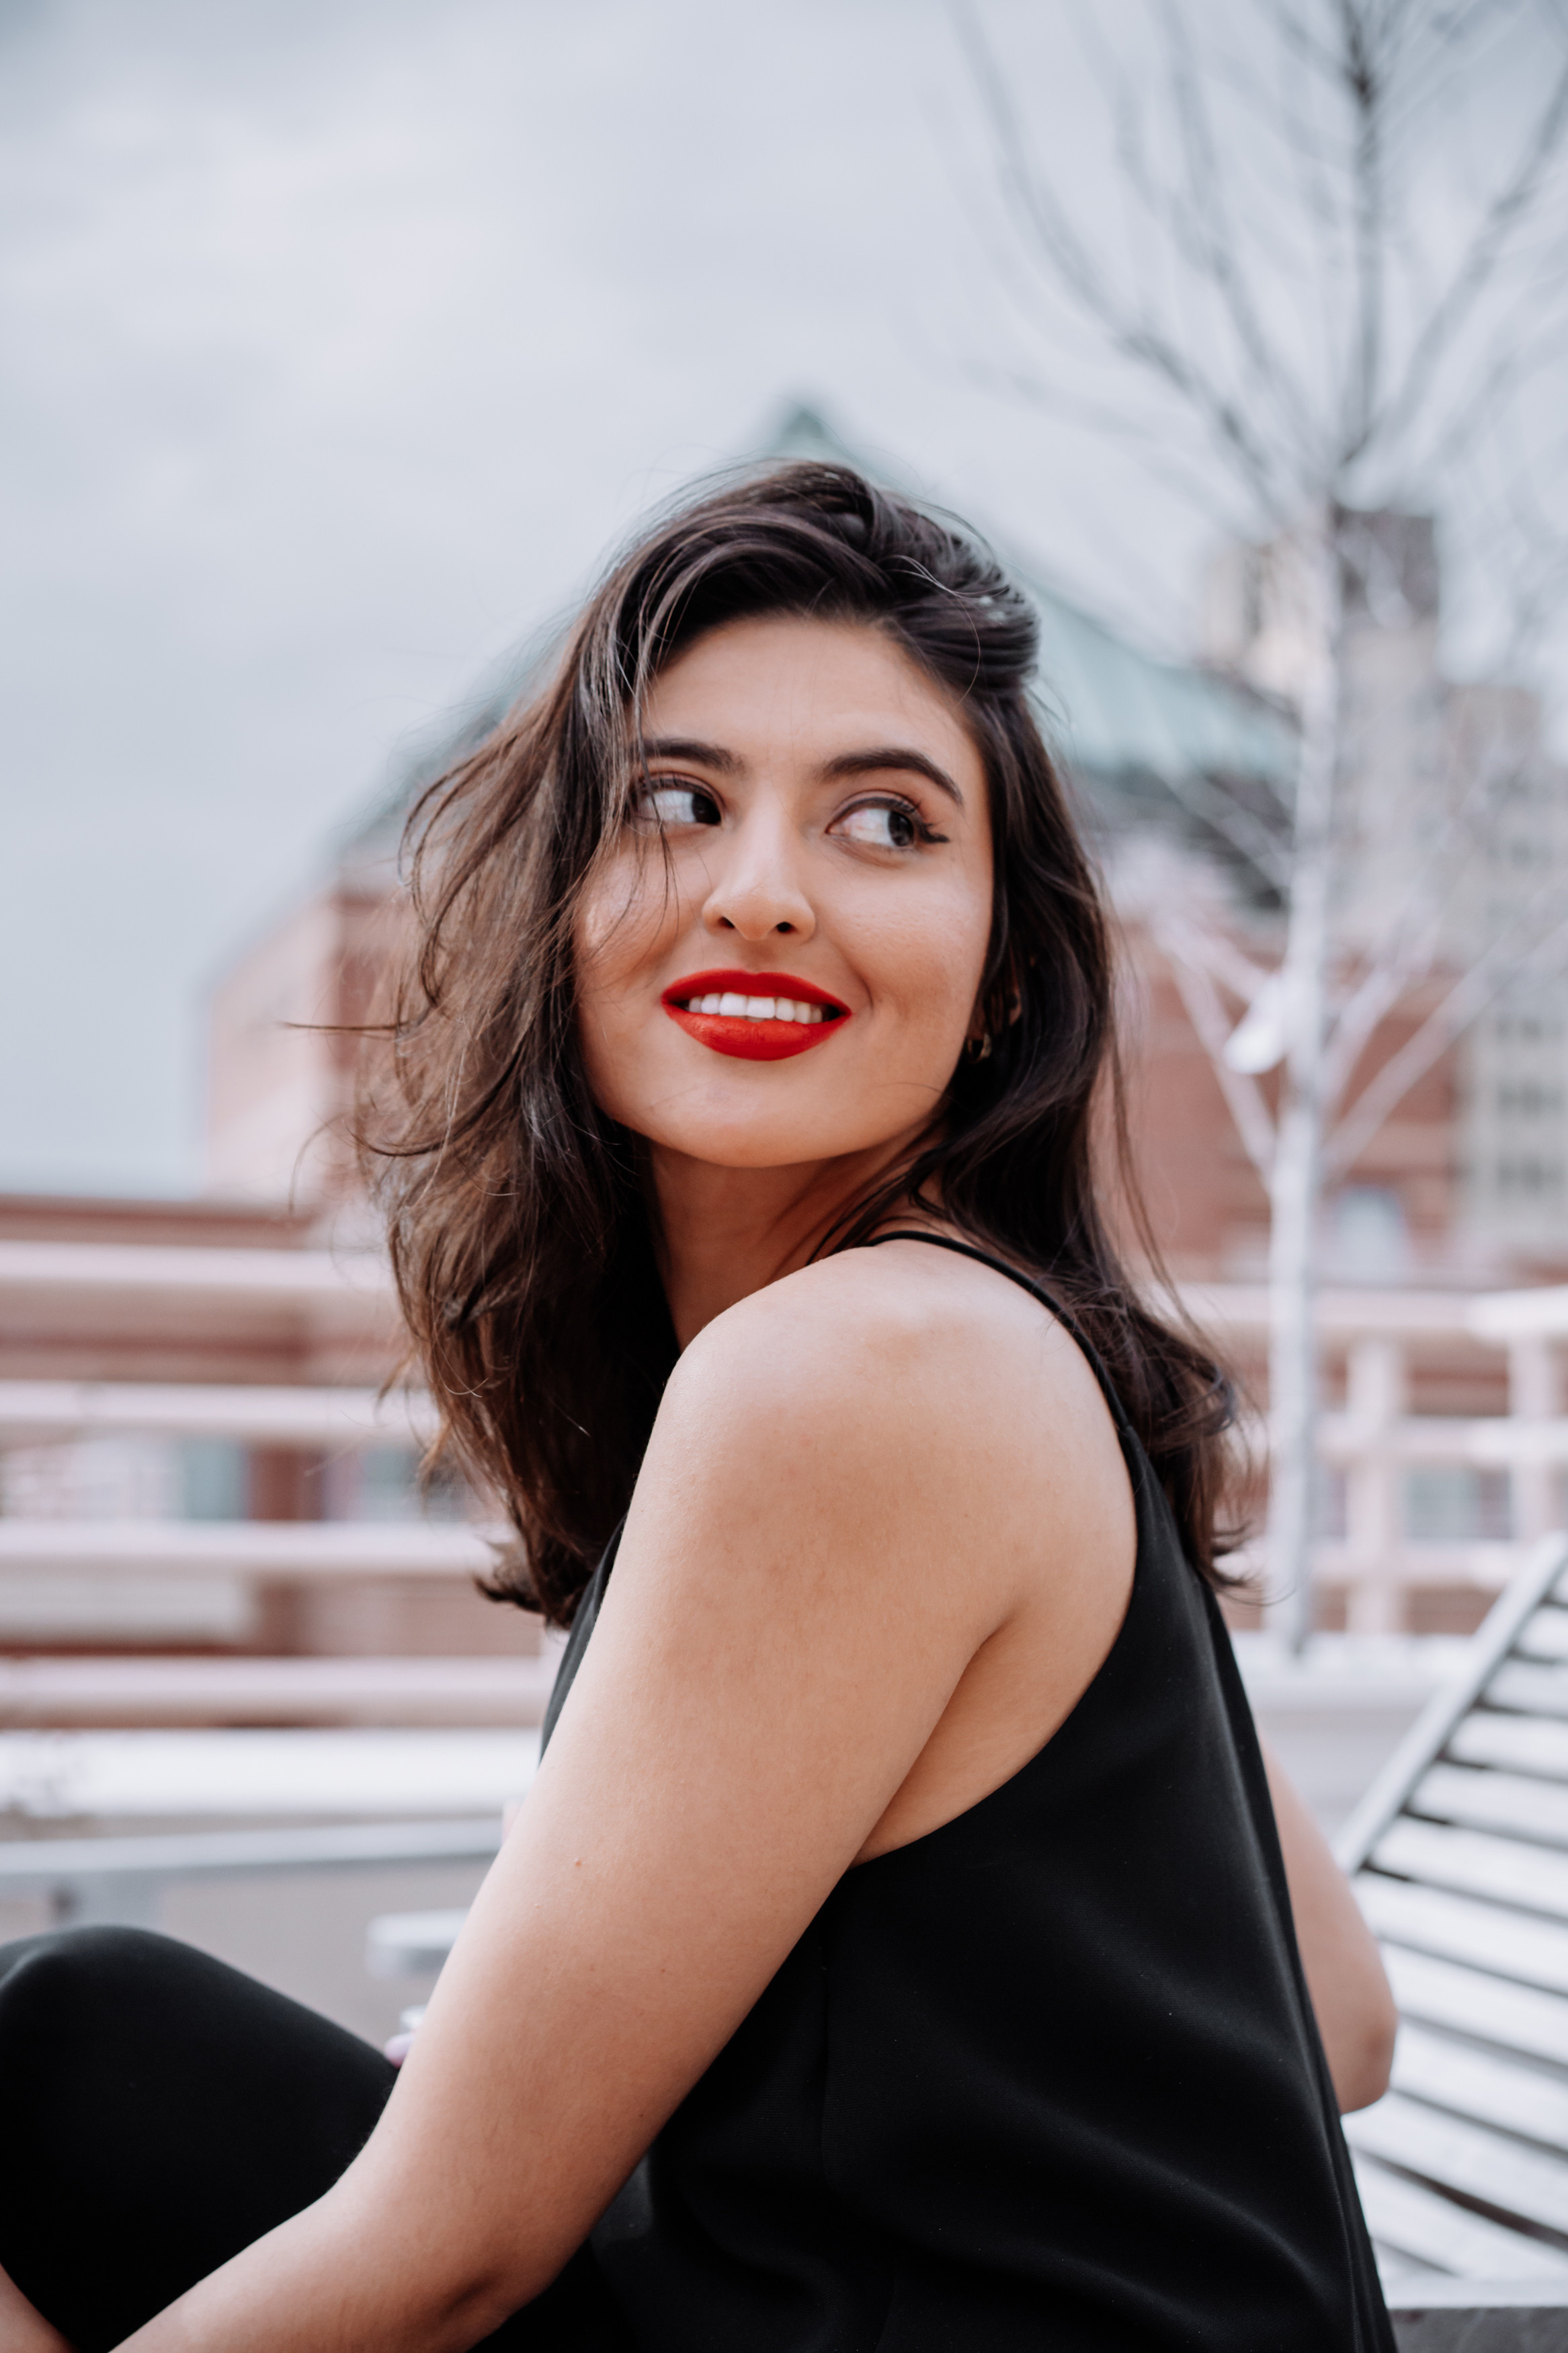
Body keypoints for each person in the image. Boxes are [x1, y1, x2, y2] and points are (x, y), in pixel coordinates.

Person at [0, 465, 1397, 2353]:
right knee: (81, 2046)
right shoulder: (986, 1343)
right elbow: (1346, 2010)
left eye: (887, 823)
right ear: (564, 905)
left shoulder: (861, 1371)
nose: (762, 890)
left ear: (1001, 976)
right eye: (677, 802)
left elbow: (449, 2256)